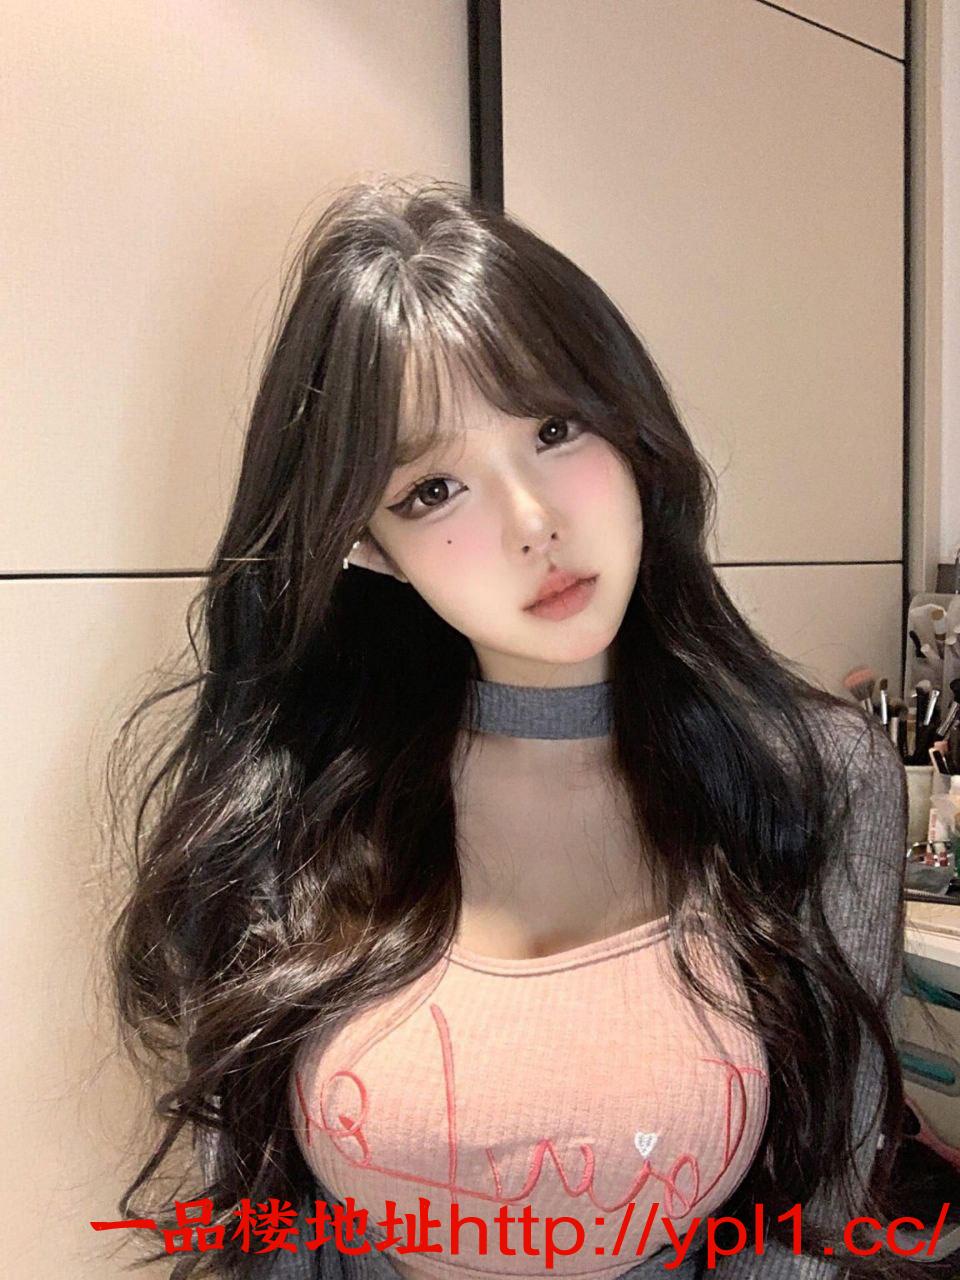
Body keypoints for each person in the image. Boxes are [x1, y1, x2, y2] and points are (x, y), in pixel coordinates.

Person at [107, 176, 919, 1280]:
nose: (533, 522)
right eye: (433, 490)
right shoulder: (290, 793)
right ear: (369, 546)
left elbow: (813, 1229)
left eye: (554, 428)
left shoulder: (815, 775)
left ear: (629, 426)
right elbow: (265, 1233)